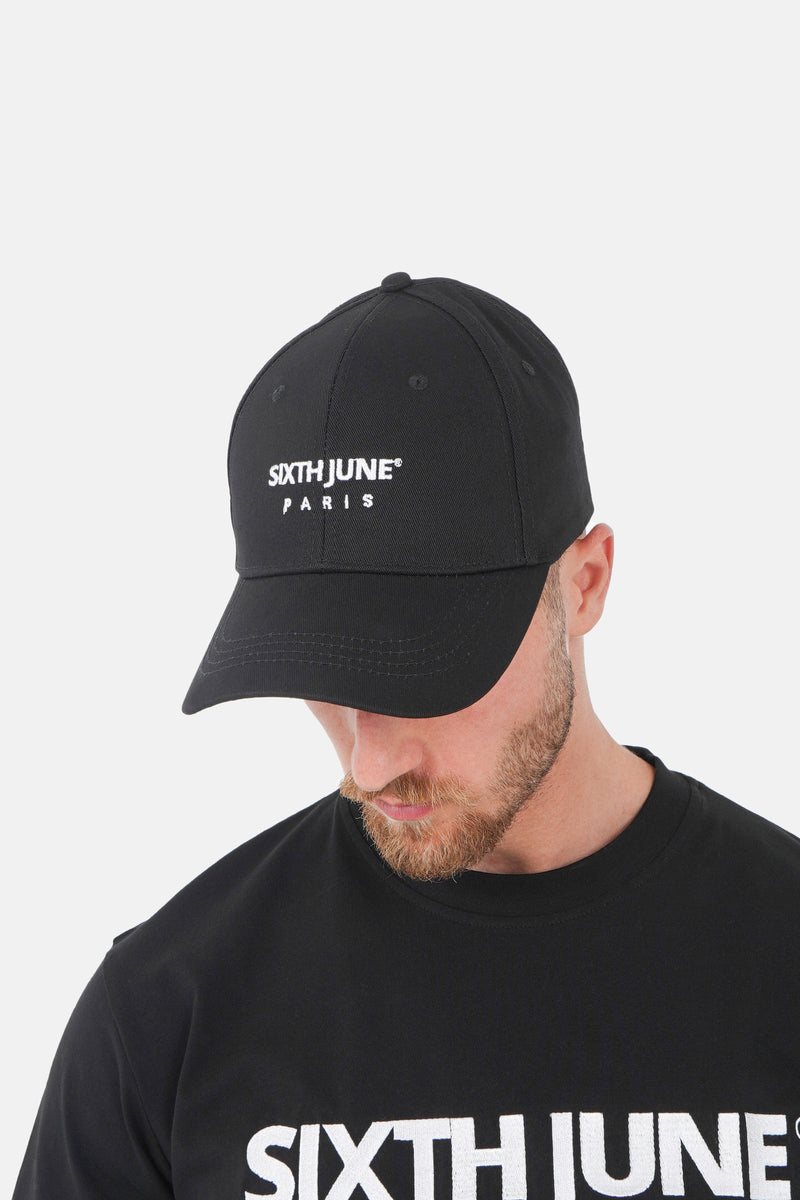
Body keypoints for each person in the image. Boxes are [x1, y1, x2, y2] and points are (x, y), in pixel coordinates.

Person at [14, 273, 799, 1199]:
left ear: (585, 583)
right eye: (324, 670)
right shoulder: (165, 1012)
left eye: (423, 668)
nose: (370, 762)